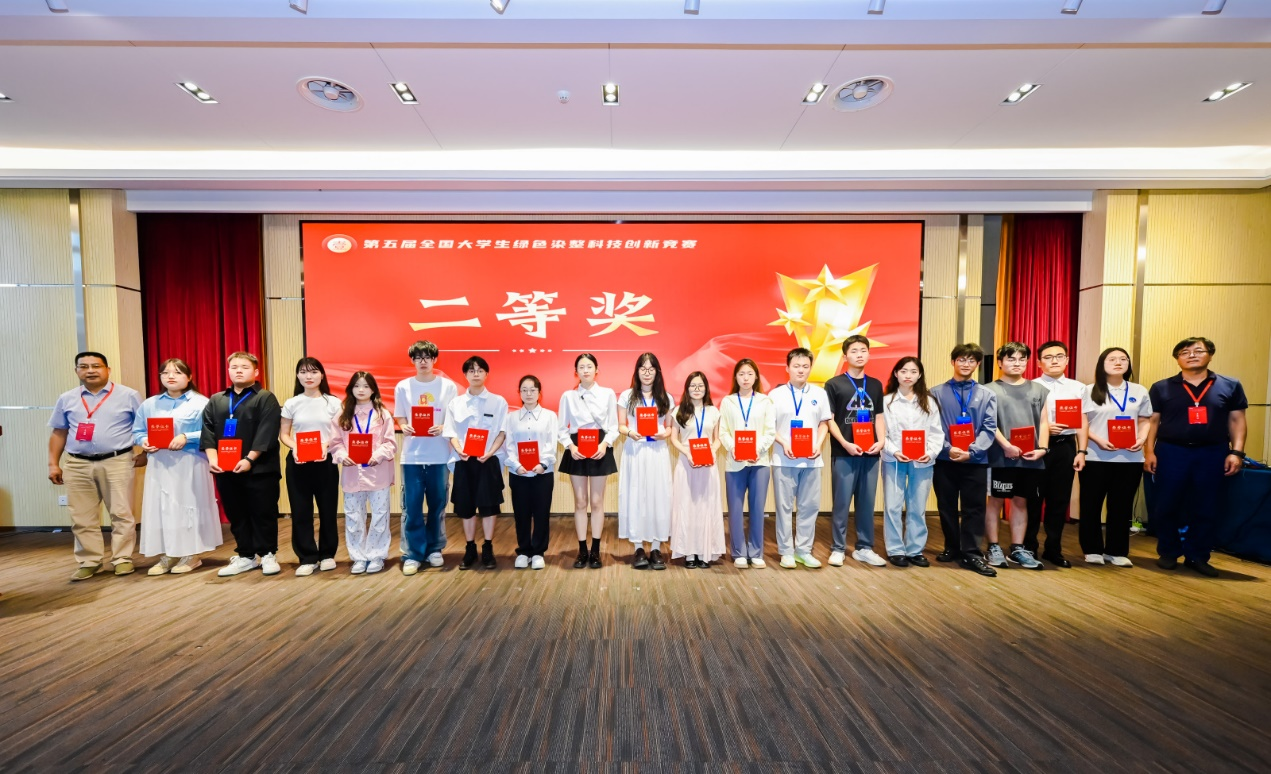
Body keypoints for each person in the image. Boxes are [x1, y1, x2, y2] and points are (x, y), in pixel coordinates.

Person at [1145, 337, 1248, 577]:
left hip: (1213, 451)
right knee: (1166, 503)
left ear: (1210, 355)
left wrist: (1236, 452)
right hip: (1171, 451)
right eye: (1185, 352)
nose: (1191, 355)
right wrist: (1149, 451)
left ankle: (1198, 556)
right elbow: (1153, 421)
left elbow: (1237, 420)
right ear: (1177, 359)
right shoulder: (1161, 387)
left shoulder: (1230, 385)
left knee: (1207, 505)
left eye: (1198, 350)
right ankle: (1168, 552)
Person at [48, 351, 144, 581]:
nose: (90, 370)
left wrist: (146, 453)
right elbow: (59, 432)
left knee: (121, 513)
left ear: (107, 370)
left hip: (117, 460)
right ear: (76, 371)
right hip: (77, 463)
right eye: (84, 366)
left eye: (96, 366)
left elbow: (143, 427)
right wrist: (53, 464)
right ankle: (89, 561)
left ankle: (122, 558)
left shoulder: (128, 395)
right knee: (81, 516)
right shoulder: (67, 398)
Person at [133, 358, 221, 575]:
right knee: (163, 507)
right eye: (165, 373)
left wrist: (186, 436)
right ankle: (169, 553)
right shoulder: (150, 404)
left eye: (177, 372)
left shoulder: (201, 402)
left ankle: (191, 554)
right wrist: (143, 441)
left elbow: (212, 431)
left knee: (188, 506)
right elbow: (137, 430)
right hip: (159, 462)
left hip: (190, 461)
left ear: (189, 377)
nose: (170, 376)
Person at [201, 351, 283, 577]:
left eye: (244, 367)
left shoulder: (265, 397)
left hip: (260, 469)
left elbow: (267, 432)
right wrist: (213, 460)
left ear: (256, 372)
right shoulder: (216, 399)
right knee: (236, 513)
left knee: (263, 512)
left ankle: (267, 554)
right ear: (228, 371)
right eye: (234, 367)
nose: (238, 370)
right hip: (226, 469)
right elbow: (207, 431)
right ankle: (246, 556)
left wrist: (249, 459)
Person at [930, 344, 999, 577]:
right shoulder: (935, 393)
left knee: (975, 508)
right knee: (946, 506)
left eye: (971, 360)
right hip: (945, 459)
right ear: (953, 362)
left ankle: (971, 552)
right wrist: (948, 448)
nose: (966, 364)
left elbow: (989, 428)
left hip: (975, 460)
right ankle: (951, 547)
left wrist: (972, 451)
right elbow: (932, 427)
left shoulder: (987, 394)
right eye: (961, 359)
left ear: (978, 364)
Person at [1080, 347, 1152, 567]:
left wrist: (1142, 439)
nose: (1118, 362)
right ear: (1102, 364)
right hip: (1095, 456)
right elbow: (1081, 423)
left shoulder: (1139, 390)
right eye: (1112, 359)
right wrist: (1098, 440)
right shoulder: (1089, 390)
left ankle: (1117, 551)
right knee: (1091, 505)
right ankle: (1092, 549)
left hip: (1130, 459)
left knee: (1121, 506)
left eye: (1123, 359)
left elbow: (1145, 419)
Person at [983, 342, 1051, 570]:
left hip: (1031, 457)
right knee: (995, 501)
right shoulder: (988, 390)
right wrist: (1006, 445)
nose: (1017, 363)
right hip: (1000, 456)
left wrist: (1043, 448)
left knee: (1021, 502)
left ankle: (1017, 548)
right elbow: (988, 423)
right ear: (1000, 362)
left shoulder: (1039, 390)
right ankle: (993, 547)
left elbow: (1044, 422)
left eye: (1022, 359)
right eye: (1011, 359)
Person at [393, 340, 458, 573]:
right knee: (411, 506)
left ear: (434, 360)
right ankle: (413, 553)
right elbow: (400, 416)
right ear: (412, 360)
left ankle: (434, 549)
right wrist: (404, 425)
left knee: (437, 504)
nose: (423, 361)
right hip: (412, 456)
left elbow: (452, 418)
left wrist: (443, 427)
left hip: (439, 455)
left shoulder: (448, 386)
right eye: (418, 357)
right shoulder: (403, 386)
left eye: (427, 357)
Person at [824, 335, 887, 568]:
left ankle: (864, 548)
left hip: (870, 452)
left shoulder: (876, 384)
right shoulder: (834, 384)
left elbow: (878, 416)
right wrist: (845, 443)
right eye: (854, 351)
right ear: (844, 356)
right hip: (845, 452)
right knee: (841, 503)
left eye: (863, 350)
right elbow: (830, 420)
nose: (859, 354)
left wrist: (881, 441)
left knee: (867, 503)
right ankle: (838, 548)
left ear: (869, 354)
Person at [877, 357, 944, 567]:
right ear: (896, 373)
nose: (908, 375)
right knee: (893, 506)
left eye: (913, 371)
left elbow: (936, 432)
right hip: (894, 460)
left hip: (922, 461)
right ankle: (896, 550)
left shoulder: (929, 402)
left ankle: (915, 550)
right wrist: (894, 451)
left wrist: (930, 453)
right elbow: (881, 434)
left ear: (920, 375)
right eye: (904, 371)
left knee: (917, 506)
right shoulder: (886, 402)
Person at [769, 348, 832, 569]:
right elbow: (769, 427)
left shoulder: (819, 394)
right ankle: (786, 551)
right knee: (784, 508)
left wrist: (818, 444)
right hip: (784, 459)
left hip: (812, 460)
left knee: (809, 507)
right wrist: (784, 443)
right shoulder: (775, 395)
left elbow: (824, 423)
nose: (801, 370)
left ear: (810, 368)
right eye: (796, 366)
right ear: (787, 368)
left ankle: (804, 550)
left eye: (805, 366)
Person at [329, 372, 397, 575]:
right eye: (357, 386)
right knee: (353, 517)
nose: (361, 390)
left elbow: (390, 443)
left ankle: (376, 555)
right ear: (350, 388)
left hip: (378, 472)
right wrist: (342, 455)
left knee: (380, 516)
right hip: (352, 473)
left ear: (373, 389)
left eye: (366, 386)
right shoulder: (342, 414)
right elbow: (335, 442)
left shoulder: (382, 414)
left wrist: (379, 454)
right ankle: (358, 557)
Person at [278, 357, 342, 576]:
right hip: (298, 462)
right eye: (304, 372)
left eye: (314, 372)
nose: (309, 376)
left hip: (325, 461)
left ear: (322, 375)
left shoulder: (333, 402)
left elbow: (338, 433)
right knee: (300, 511)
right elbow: (284, 434)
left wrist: (325, 445)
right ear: (298, 376)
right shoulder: (291, 403)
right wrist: (295, 447)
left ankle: (327, 555)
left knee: (328, 510)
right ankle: (307, 557)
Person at [444, 356, 508, 570]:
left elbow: (502, 432)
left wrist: (490, 452)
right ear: (465, 375)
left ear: (487, 374)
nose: (476, 374)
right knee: (466, 507)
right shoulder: (456, 403)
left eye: (480, 370)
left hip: (488, 460)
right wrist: (458, 449)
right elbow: (451, 432)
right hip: (464, 460)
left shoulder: (498, 402)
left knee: (489, 507)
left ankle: (488, 548)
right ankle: (470, 548)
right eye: (471, 371)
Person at [1028, 340, 1089, 568]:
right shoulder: (1030, 386)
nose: (1054, 361)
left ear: (1067, 360)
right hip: (1037, 447)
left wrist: (1081, 451)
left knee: (1059, 500)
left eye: (1059, 356)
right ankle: (1028, 547)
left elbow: (1083, 421)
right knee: (1033, 500)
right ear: (1038, 362)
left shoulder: (1078, 388)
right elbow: (1022, 419)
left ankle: (1053, 549)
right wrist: (1044, 428)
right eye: (1048, 357)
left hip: (1065, 447)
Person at [557, 353, 618, 569]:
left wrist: (605, 444)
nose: (585, 370)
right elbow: (561, 428)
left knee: (597, 502)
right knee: (581, 502)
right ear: (576, 372)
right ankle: (582, 550)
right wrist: (571, 447)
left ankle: (596, 551)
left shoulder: (607, 393)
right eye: (581, 367)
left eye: (589, 366)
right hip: (577, 448)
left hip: (600, 446)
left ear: (596, 370)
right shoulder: (568, 396)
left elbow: (613, 426)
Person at [616, 353, 674, 570]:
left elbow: (669, 427)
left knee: (658, 496)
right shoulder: (626, 396)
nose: (647, 373)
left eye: (651, 369)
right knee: (636, 496)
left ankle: (657, 548)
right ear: (637, 371)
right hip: (636, 451)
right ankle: (639, 548)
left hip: (657, 452)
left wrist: (664, 434)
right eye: (643, 368)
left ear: (657, 372)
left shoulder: (666, 398)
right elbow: (621, 425)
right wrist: (630, 432)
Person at [718, 358, 776, 568]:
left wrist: (756, 450)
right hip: (735, 462)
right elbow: (723, 431)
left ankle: (756, 552)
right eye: (741, 374)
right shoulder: (728, 401)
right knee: (735, 509)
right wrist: (734, 448)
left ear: (756, 377)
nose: (745, 378)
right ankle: (738, 552)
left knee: (757, 508)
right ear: (735, 377)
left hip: (759, 462)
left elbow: (770, 431)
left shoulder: (765, 401)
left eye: (750, 374)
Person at [669, 372, 725, 568]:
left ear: (706, 388)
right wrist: (687, 452)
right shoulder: (679, 411)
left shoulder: (713, 412)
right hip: (687, 464)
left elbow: (717, 439)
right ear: (687, 388)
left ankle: (704, 551)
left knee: (706, 506)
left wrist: (712, 451)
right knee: (687, 506)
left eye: (700, 385)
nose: (697, 389)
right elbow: (674, 438)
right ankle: (689, 552)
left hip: (707, 464)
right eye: (693, 385)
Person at [502, 375, 557, 570]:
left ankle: (538, 552)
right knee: (521, 514)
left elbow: (551, 443)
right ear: (519, 393)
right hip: (519, 473)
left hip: (543, 473)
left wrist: (543, 463)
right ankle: (524, 551)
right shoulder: (511, 418)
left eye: (533, 390)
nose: (529, 393)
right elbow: (508, 445)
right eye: (524, 390)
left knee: (541, 513)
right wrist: (516, 465)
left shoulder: (550, 416)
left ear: (539, 392)